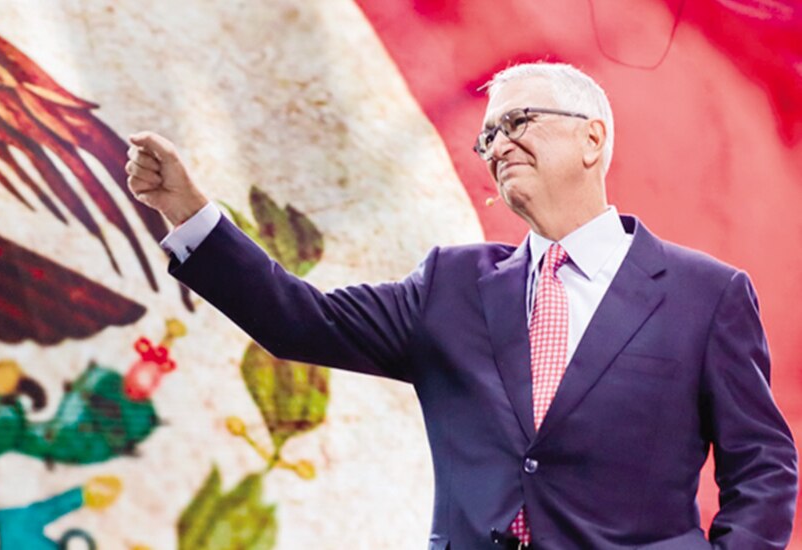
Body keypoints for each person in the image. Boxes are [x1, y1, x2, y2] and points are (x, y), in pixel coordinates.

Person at [124, 62, 797, 549]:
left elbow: (761, 466)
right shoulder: (451, 286)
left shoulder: (705, 294)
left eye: (519, 121)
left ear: (593, 140)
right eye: (488, 136)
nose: (498, 144)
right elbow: (298, 320)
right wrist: (187, 213)